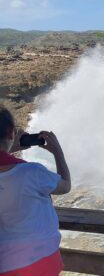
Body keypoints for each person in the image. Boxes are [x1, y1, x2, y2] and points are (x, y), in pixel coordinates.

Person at [0, 106, 71, 276]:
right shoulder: (32, 172)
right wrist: (58, 152)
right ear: (11, 132)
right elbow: (65, 185)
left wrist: (9, 150)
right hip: (39, 261)